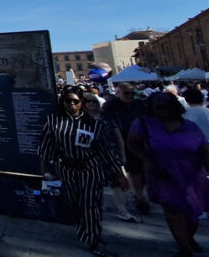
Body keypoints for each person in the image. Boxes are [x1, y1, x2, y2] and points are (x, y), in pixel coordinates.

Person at [128, 92, 209, 257]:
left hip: (193, 175)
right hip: (163, 174)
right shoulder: (144, 124)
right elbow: (133, 143)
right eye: (158, 106)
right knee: (173, 210)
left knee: (194, 212)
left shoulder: (190, 126)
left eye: (166, 106)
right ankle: (184, 247)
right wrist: (146, 159)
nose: (163, 109)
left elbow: (205, 148)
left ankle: (188, 238)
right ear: (151, 108)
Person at [39, 89, 126, 256]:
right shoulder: (54, 121)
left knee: (90, 203)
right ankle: (86, 229)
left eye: (75, 101)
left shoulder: (94, 124)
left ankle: (92, 237)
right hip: (67, 168)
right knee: (76, 203)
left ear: (81, 103)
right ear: (62, 102)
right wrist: (44, 169)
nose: (72, 104)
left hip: (90, 167)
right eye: (68, 101)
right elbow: (46, 146)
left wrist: (118, 174)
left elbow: (104, 150)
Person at [83, 92, 137, 222]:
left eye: (93, 101)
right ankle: (97, 208)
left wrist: (123, 155)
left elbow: (118, 137)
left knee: (117, 183)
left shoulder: (106, 117)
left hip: (111, 154)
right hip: (91, 156)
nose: (91, 104)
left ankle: (122, 210)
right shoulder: (79, 120)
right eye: (87, 101)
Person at [103, 82, 151, 214]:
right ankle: (140, 196)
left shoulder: (140, 105)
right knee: (134, 170)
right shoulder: (111, 106)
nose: (130, 95)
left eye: (132, 93)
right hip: (124, 142)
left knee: (144, 169)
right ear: (118, 93)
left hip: (141, 141)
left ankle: (141, 194)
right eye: (126, 93)